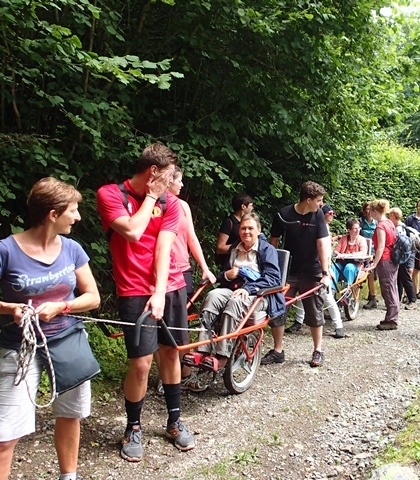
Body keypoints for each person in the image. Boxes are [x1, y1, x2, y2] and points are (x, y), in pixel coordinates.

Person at [96, 143, 195, 462]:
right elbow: (133, 232)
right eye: (168, 177)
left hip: (170, 287)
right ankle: (133, 427)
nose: (173, 182)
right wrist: (151, 197)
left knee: (171, 353)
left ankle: (174, 421)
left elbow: (163, 249)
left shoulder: (173, 204)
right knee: (140, 364)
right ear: (153, 173)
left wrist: (160, 291)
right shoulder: (111, 195)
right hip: (132, 290)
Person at [0, 178, 101, 480]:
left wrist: (62, 306)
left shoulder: (72, 249)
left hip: (68, 341)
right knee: (5, 434)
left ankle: (69, 477)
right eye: (73, 210)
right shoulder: (6, 250)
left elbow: (92, 298)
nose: (78, 217)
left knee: (70, 415)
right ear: (53, 214)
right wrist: (10, 308)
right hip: (18, 348)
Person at [186, 213, 285, 371]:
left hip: (259, 294)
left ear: (258, 230)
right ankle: (203, 350)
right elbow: (224, 276)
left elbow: (273, 279)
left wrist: (248, 288)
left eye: (250, 228)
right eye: (243, 228)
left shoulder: (267, 249)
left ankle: (222, 355)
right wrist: (226, 275)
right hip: (232, 289)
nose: (246, 231)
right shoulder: (234, 248)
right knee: (212, 296)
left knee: (236, 302)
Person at [156, 167, 217, 395]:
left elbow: (191, 237)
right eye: (179, 181)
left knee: (177, 326)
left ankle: (185, 372)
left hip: (181, 271)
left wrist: (205, 267)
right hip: (156, 272)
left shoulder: (183, 206)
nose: (182, 186)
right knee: (157, 326)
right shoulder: (153, 204)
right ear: (168, 181)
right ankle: (166, 375)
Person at [265, 181, 332, 367]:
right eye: (319, 200)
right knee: (278, 309)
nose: (321, 204)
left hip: (312, 270)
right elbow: (273, 243)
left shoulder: (318, 214)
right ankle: (278, 351)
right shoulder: (283, 214)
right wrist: (271, 270)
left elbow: (321, 244)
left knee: (314, 311)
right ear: (308, 200)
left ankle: (317, 350)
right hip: (287, 271)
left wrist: (325, 273)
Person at [287, 204, 345, 338]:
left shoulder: (323, 227)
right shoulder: (315, 225)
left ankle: (339, 326)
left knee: (328, 298)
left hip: (320, 267)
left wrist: (328, 269)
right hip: (308, 267)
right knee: (302, 297)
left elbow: (326, 252)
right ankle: (298, 321)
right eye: (329, 213)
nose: (332, 216)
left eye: (332, 213)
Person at [370, 200, 400, 330]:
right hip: (393, 260)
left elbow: (380, 247)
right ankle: (390, 317)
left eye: (371, 211)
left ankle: (392, 320)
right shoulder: (390, 222)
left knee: (387, 289)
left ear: (375, 211)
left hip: (385, 260)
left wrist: (374, 263)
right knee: (392, 288)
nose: (370, 213)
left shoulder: (381, 226)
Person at [216, 192, 254, 268]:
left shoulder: (246, 222)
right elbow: (219, 248)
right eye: (251, 206)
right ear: (243, 206)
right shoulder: (229, 222)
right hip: (229, 264)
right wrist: (240, 246)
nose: (252, 208)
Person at [389, 208, 417, 310]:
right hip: (403, 257)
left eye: (389, 216)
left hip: (402, 257)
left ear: (393, 216)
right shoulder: (403, 227)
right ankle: (398, 300)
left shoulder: (399, 229)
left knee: (405, 279)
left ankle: (413, 300)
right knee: (399, 279)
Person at [332, 218, 369, 285]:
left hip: (356, 265)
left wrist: (348, 255)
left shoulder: (361, 240)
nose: (358, 230)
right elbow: (335, 251)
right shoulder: (343, 238)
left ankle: (347, 290)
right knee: (333, 266)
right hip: (342, 264)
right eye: (355, 228)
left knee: (349, 267)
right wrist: (339, 254)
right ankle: (332, 289)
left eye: (359, 228)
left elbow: (363, 253)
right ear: (349, 230)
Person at [359, 202, 378, 310]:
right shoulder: (360, 222)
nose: (369, 211)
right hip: (364, 251)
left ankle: (373, 297)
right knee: (366, 273)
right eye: (367, 209)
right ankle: (372, 296)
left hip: (375, 251)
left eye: (371, 209)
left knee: (372, 274)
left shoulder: (377, 223)